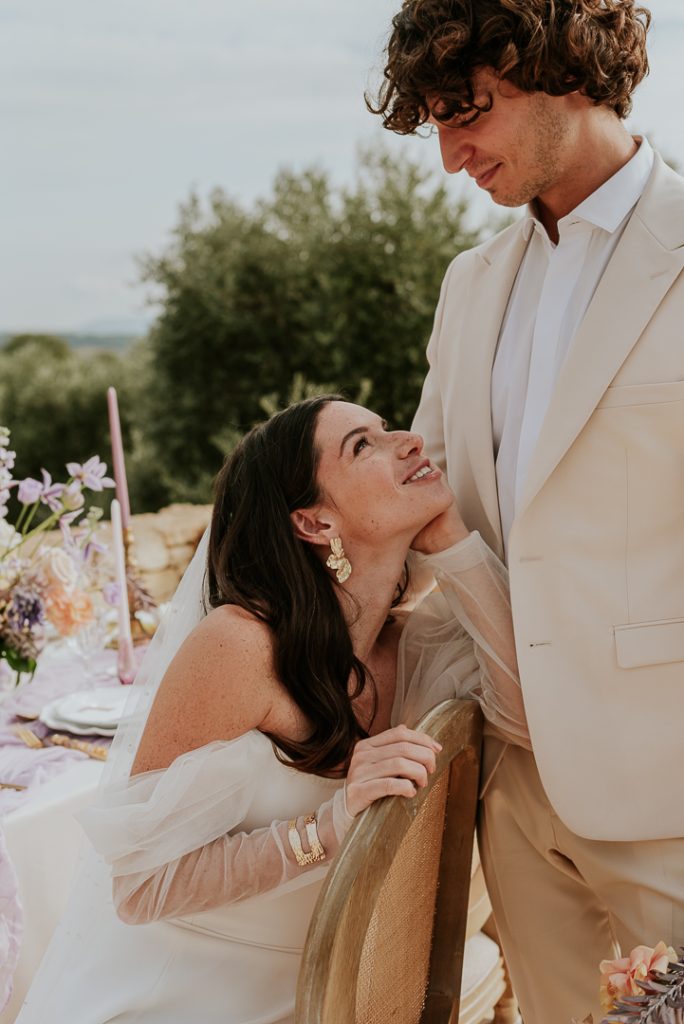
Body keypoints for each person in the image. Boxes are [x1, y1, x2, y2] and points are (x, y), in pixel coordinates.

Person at [370, 0, 684, 1020]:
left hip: (667, 794)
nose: (453, 155)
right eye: (437, 121)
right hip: (509, 783)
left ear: (566, 69)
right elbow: (424, 506)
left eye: (471, 112)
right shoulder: (472, 283)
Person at [17, 396, 527, 1024]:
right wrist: (331, 824)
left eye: (387, 428)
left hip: (341, 983)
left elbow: (530, 715)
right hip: (191, 992)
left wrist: (449, 537)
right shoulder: (240, 645)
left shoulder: (418, 643)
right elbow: (142, 885)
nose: (410, 441)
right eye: (362, 445)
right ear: (314, 523)